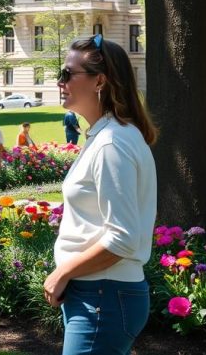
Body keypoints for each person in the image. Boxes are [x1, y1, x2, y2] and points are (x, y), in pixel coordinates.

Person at [44, 33, 158, 355]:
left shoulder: (112, 144)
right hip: (99, 294)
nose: (60, 81)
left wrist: (61, 273)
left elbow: (122, 238)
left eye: (67, 74)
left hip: (103, 296)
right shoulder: (107, 136)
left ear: (100, 81)